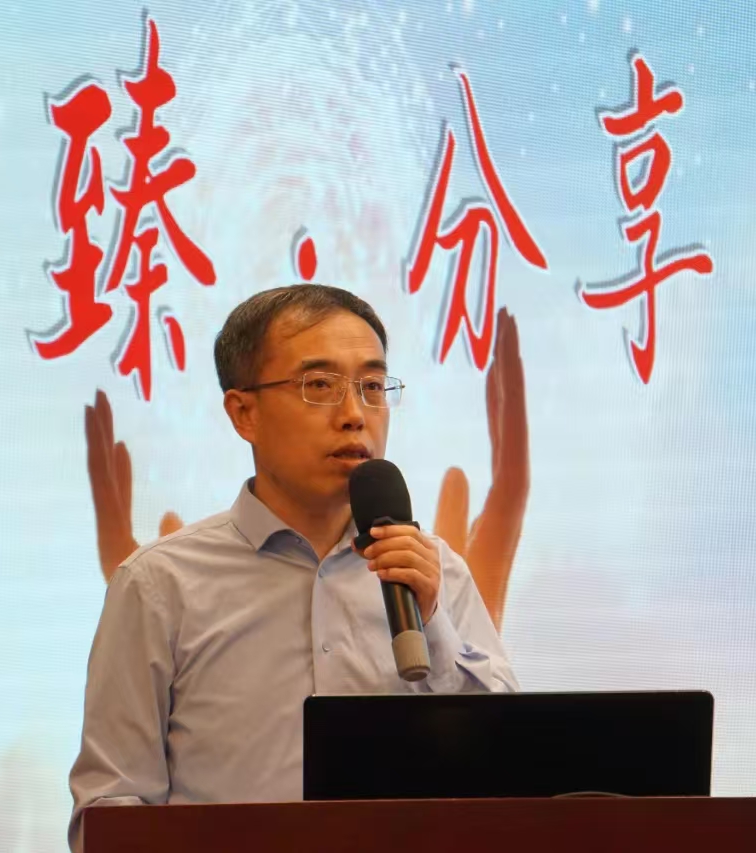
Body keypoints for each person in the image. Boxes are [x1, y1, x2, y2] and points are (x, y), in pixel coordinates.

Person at [68, 285, 518, 851]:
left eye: (372, 387)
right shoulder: (159, 584)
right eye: (320, 386)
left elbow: (510, 767)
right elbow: (111, 806)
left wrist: (433, 624)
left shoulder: (436, 573)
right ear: (245, 413)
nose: (354, 416)